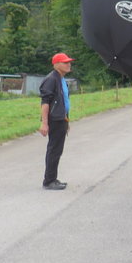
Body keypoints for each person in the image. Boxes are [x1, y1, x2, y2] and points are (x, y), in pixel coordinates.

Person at [38, 52, 73, 190]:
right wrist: (44, 123)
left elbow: (63, 101)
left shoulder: (61, 79)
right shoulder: (51, 79)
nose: (68, 64)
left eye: (69, 62)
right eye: (65, 62)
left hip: (61, 119)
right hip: (54, 120)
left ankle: (53, 178)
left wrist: (66, 120)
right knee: (54, 150)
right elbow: (45, 102)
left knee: (57, 150)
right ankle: (49, 181)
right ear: (56, 64)